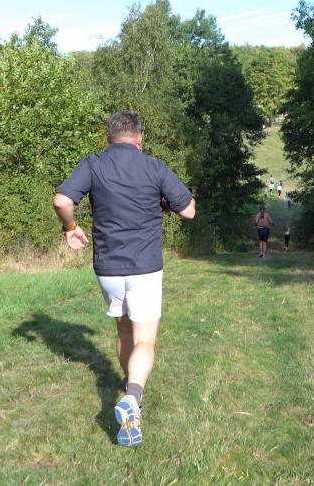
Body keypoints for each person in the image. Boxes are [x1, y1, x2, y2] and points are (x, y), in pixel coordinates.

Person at [53, 110, 196, 448]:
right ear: (139, 138)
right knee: (145, 339)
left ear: (109, 137)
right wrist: (165, 202)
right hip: (145, 267)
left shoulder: (93, 164)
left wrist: (71, 227)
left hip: (108, 268)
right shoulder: (154, 166)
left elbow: (61, 200)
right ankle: (132, 397)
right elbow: (189, 210)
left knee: (123, 330)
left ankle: (129, 388)